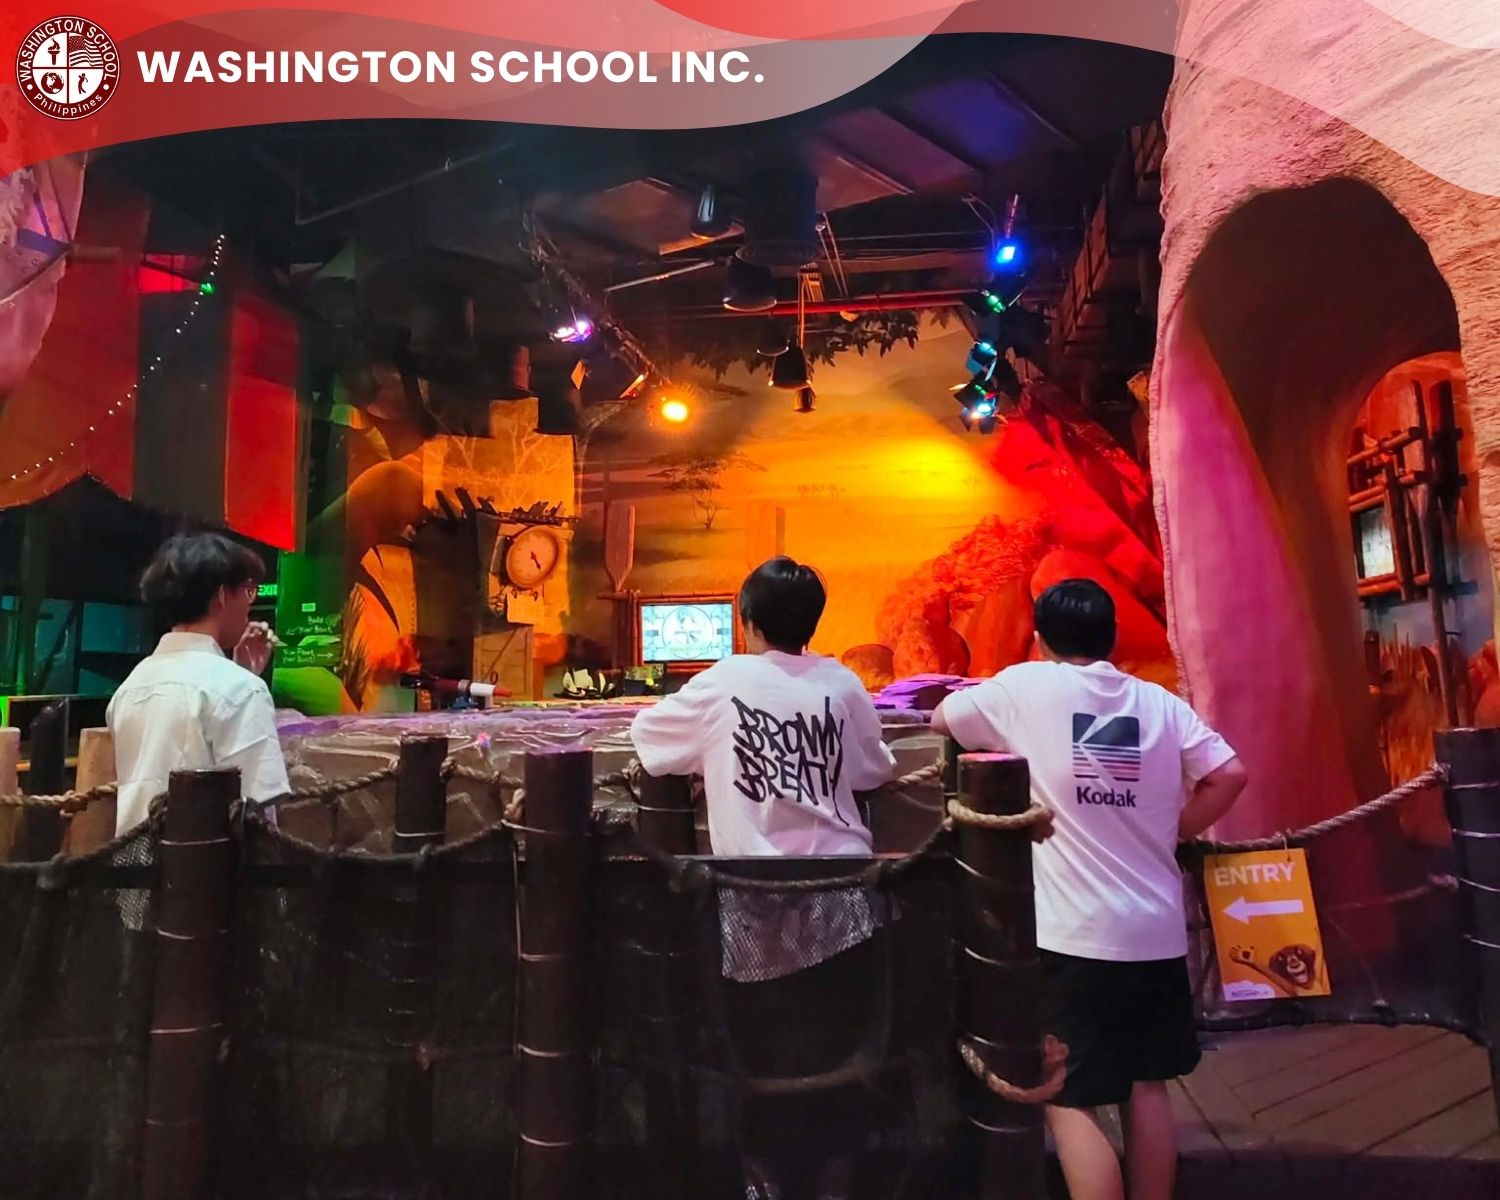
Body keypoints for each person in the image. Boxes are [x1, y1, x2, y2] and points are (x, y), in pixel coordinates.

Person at [933, 579, 1247, 1200]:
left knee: (1066, 1096)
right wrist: (1175, 827)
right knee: (1147, 1086)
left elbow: (946, 718)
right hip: (1157, 934)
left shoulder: (1026, 686)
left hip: (1073, 937)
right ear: (1112, 638)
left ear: (1040, 638)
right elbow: (1230, 773)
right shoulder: (1158, 703)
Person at [630, 557, 898, 1200]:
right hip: (844, 906)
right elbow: (875, 769)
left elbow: (646, 738)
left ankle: (767, 1183)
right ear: (812, 623)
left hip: (755, 913)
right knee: (838, 1055)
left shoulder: (720, 682)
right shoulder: (842, 682)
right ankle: (833, 1183)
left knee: (760, 1058)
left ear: (746, 622)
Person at [108, 533, 289, 833]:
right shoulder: (241, 689)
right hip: (208, 862)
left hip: (133, 859)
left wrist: (243, 671)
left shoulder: (131, 686)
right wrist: (244, 679)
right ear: (222, 596)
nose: (250, 605)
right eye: (248, 591)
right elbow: (256, 813)